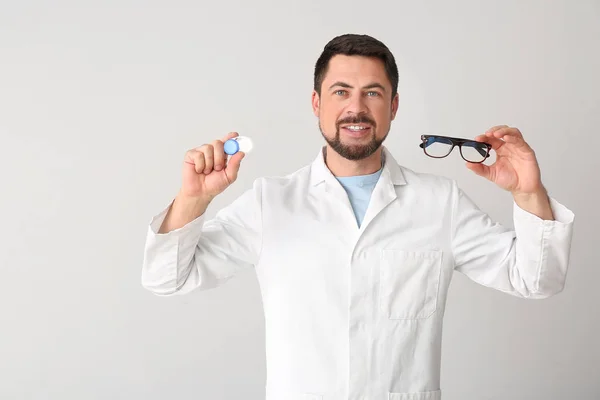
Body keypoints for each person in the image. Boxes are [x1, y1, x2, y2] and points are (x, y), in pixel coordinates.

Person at [141, 34, 574, 400]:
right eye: (341, 91)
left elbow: (537, 280)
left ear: (394, 105)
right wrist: (193, 201)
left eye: (372, 92)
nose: (356, 108)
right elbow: (166, 279)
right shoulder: (269, 202)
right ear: (316, 102)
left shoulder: (439, 202)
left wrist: (527, 192)